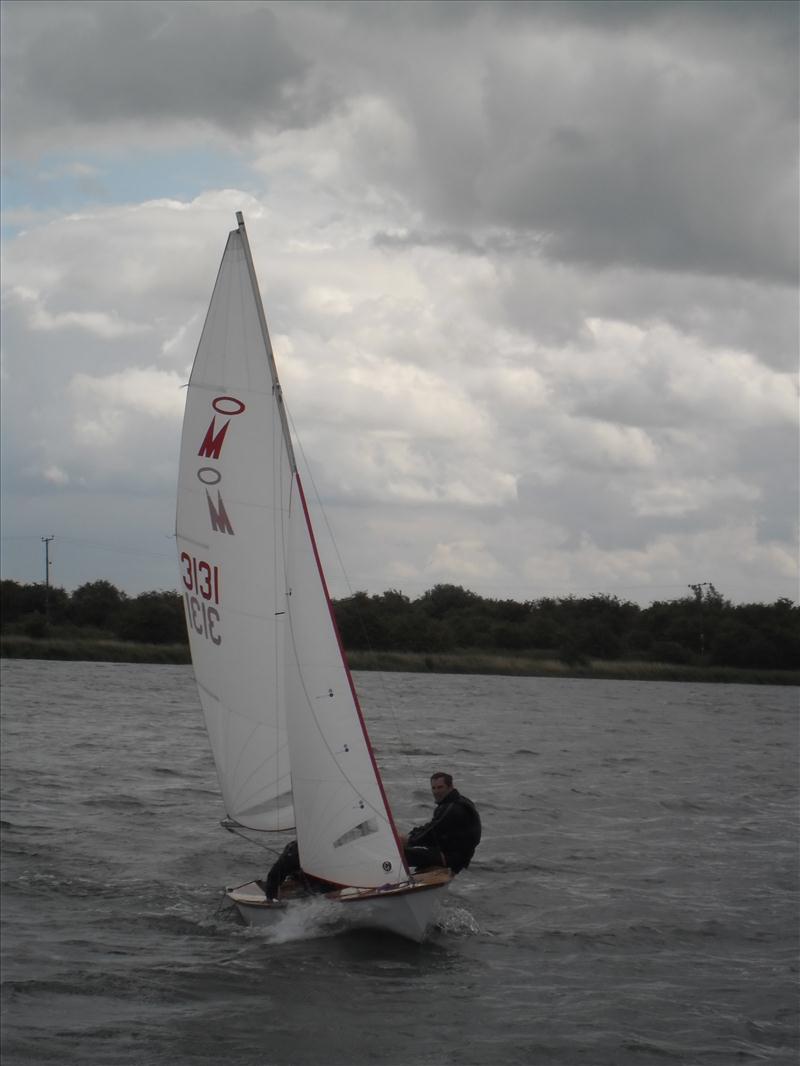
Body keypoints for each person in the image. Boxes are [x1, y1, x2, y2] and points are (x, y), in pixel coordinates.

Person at [400, 772, 481, 874]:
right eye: (433, 788)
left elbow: (431, 831)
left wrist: (408, 841)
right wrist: (411, 834)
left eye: (440, 787)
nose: (436, 791)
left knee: (399, 854)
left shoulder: (452, 808)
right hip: (453, 855)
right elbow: (432, 826)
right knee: (413, 851)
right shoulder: (457, 801)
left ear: (450, 787)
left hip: (453, 859)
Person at [258, 840, 334, 900]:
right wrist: (270, 899)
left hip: (316, 880)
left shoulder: (318, 852)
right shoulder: (290, 856)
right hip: (306, 876)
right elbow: (274, 875)